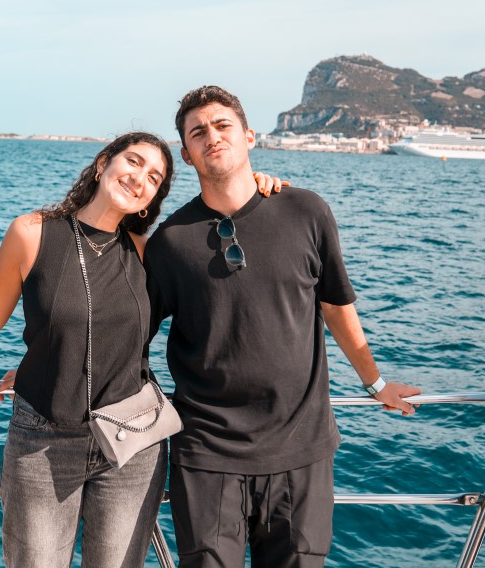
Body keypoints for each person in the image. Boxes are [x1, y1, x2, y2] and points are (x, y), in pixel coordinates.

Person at [0, 132, 278, 567]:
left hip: (131, 443)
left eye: (154, 178)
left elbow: (215, 288)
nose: (140, 179)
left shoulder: (146, 251)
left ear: (152, 200)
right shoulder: (32, 232)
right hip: (43, 442)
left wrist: (254, 191)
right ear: (103, 163)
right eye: (133, 162)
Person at [145, 85, 419, 568]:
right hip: (207, 452)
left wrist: (375, 383)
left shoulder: (306, 211)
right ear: (186, 155)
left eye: (223, 125)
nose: (212, 137)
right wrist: (49, 365)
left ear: (249, 136)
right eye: (198, 132)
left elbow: (336, 306)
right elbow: (129, 331)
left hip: (301, 448)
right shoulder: (169, 241)